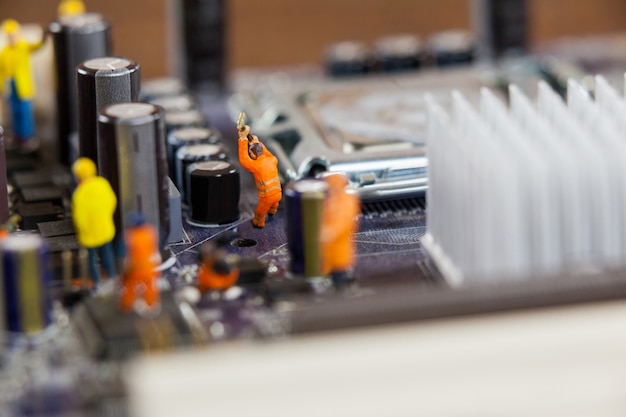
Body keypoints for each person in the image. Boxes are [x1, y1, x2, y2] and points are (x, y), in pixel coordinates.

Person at [71, 157, 116, 283]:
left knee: (91, 260)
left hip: (89, 235)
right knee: (107, 255)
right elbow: (112, 201)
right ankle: (112, 279)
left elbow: (79, 217)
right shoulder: (102, 183)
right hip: (105, 228)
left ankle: (97, 284)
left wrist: (83, 229)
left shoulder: (79, 193)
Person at [0, 19, 44, 142]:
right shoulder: (4, 52)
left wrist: (43, 37)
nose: (11, 38)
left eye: (13, 35)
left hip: (23, 87)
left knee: (25, 113)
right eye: (9, 36)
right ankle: (18, 135)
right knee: (15, 112)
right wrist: (1, 87)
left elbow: (36, 46)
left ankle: (27, 136)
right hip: (10, 86)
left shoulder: (23, 46)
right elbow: (1, 71)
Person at [320, 173, 360, 288]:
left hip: (338, 250)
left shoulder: (345, 202)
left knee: (338, 273)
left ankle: (341, 291)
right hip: (329, 251)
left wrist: (330, 232)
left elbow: (342, 222)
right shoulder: (332, 200)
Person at [238, 124, 281, 228]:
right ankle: (273, 210)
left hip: (267, 197)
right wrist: (257, 143)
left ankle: (259, 223)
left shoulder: (256, 165)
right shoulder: (272, 160)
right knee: (274, 204)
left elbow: (244, 160)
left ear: (253, 155)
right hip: (278, 193)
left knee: (260, 212)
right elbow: (266, 153)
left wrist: (243, 139)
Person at [120, 214, 160, 313]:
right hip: (150, 265)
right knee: (150, 285)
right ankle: (151, 304)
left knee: (130, 285)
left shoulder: (130, 236)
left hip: (136, 267)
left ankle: (127, 305)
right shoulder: (151, 232)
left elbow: (128, 255)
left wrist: (125, 271)